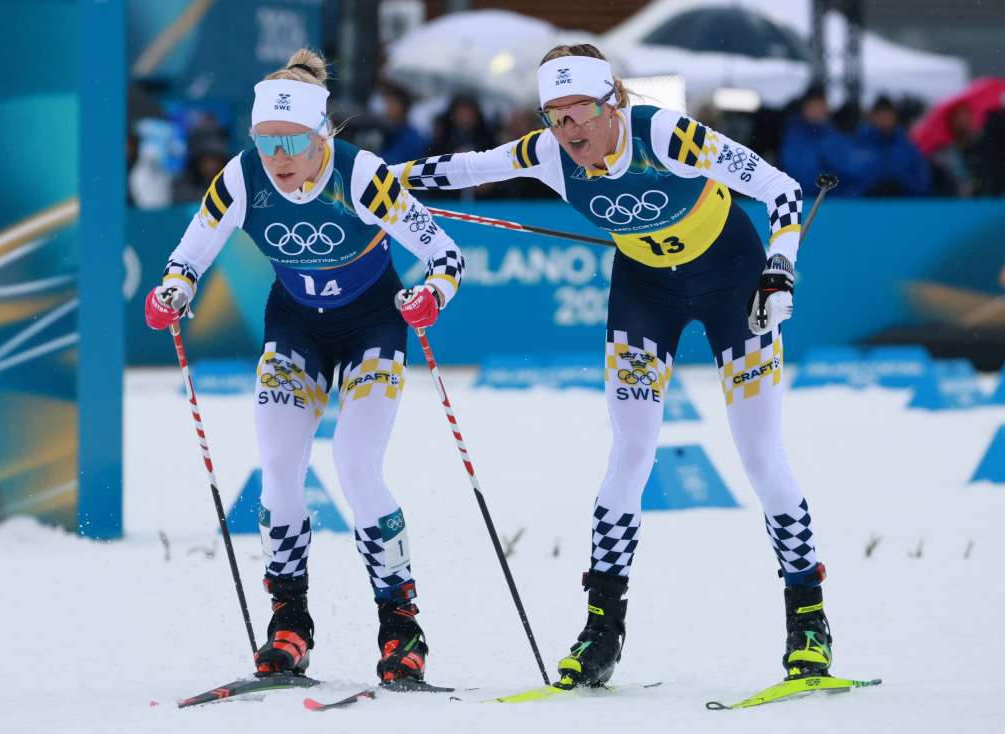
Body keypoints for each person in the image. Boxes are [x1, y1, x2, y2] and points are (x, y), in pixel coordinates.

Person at [390, 44, 834, 687]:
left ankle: (809, 623)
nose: (569, 130)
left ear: (613, 102)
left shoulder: (667, 135)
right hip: (644, 292)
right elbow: (462, 167)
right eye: (555, 116)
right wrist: (369, 179)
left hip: (734, 282)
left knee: (761, 455)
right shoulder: (547, 153)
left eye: (580, 112)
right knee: (629, 452)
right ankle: (601, 631)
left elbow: (781, 189)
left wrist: (780, 269)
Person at [143, 49, 465, 684]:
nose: (278, 157)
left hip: (372, 327)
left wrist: (432, 295)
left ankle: (401, 627)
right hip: (295, 329)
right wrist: (174, 290)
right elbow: (189, 255)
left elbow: (445, 255)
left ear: (322, 135)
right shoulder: (242, 178)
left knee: (356, 464)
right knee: (279, 468)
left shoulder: (363, 175)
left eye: (291, 141)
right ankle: (289, 623)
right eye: (265, 141)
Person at [856, 96, 931, 197]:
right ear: (872, 117)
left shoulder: (908, 147)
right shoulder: (859, 144)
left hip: (903, 202)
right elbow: (851, 180)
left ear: (895, 117)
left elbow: (922, 182)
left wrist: (901, 183)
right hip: (867, 203)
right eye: (881, 116)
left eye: (888, 116)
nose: (885, 120)